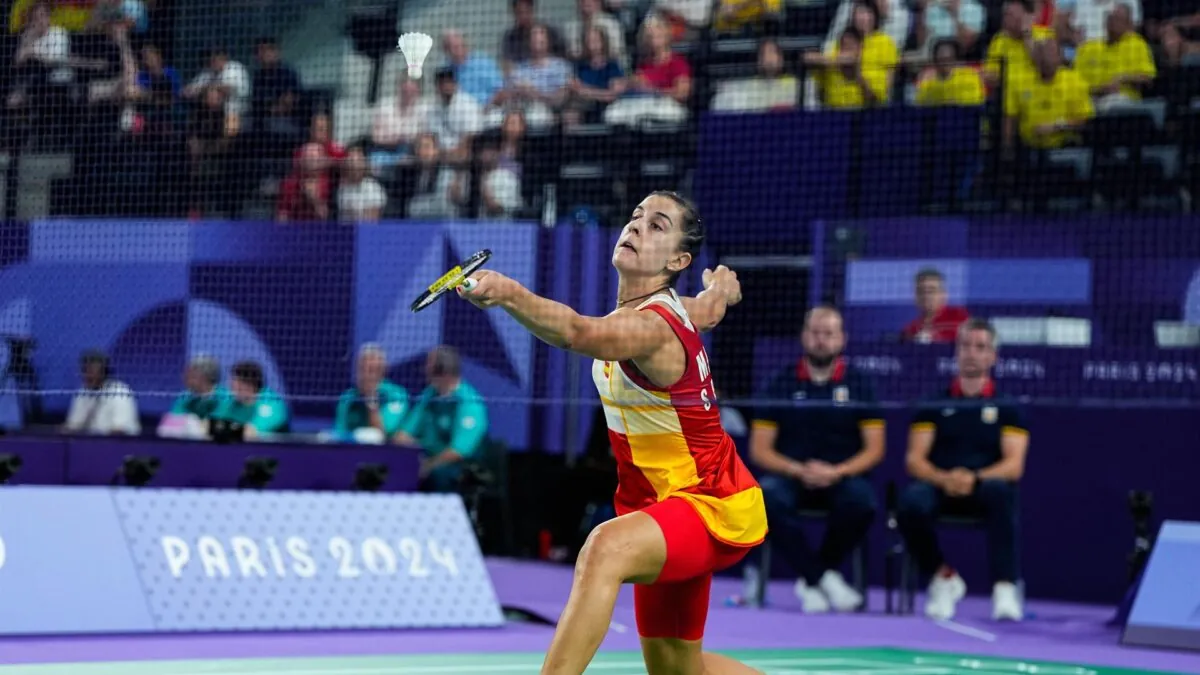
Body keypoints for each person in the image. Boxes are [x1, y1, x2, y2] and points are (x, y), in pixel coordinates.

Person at [458, 190, 765, 675]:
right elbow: (707, 309)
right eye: (637, 216)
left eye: (658, 225)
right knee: (678, 672)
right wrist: (721, 291)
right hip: (660, 508)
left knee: (603, 549)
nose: (638, 226)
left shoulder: (651, 329)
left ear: (678, 260)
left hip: (707, 504)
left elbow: (578, 333)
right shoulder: (675, 310)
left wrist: (509, 293)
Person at [747, 306, 883, 613]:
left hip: (841, 476)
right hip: (792, 475)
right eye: (815, 332)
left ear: (842, 339)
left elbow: (874, 449)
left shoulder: (861, 385)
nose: (821, 340)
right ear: (804, 337)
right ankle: (823, 578)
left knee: (862, 502)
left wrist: (837, 471)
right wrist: (797, 469)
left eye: (829, 333)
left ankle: (813, 577)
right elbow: (760, 449)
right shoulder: (780, 383)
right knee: (766, 498)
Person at [897, 318, 1029, 622]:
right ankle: (942, 578)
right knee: (911, 503)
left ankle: (1005, 588)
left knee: (1000, 491)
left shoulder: (1009, 408)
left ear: (992, 357)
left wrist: (975, 478)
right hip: (941, 484)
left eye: (980, 347)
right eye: (966, 346)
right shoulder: (933, 403)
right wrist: (945, 478)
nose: (972, 353)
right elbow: (915, 459)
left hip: (984, 486)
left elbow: (1014, 465)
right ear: (956, 352)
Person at [394, 346, 490, 493]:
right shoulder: (429, 395)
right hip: (427, 458)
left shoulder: (469, 402)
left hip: (458, 464)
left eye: (430, 369)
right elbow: (403, 434)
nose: (425, 372)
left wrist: (428, 466)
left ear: (444, 373)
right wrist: (412, 449)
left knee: (438, 475)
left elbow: (457, 451)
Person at [333, 344, 408, 443]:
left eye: (372, 370)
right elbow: (340, 433)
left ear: (382, 371)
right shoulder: (347, 397)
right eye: (362, 369)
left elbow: (384, 435)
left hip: (385, 453)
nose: (366, 375)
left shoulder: (397, 395)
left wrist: (371, 402)